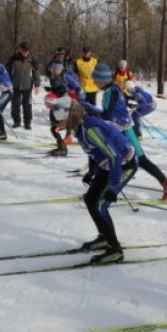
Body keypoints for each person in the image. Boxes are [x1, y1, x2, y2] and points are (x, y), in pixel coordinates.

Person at [46, 94, 138, 263]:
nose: (58, 125)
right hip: (107, 164)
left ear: (69, 116)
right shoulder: (80, 126)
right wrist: (91, 172)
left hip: (124, 163)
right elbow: (95, 151)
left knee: (101, 205)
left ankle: (115, 249)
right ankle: (104, 237)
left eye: (60, 121)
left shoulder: (89, 128)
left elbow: (114, 156)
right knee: (90, 200)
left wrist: (113, 187)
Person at [82, 63, 167, 200]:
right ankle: (165, 182)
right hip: (122, 127)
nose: (93, 82)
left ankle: (101, 191)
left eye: (94, 79)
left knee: (126, 159)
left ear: (101, 79)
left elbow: (106, 115)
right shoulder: (112, 90)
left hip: (123, 130)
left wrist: (89, 108)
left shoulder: (111, 92)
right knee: (123, 159)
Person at [46, 62, 84, 156]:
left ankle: (63, 146)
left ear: (60, 69)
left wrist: (76, 96)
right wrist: (50, 90)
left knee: (57, 126)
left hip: (65, 104)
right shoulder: (55, 77)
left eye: (56, 69)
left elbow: (77, 87)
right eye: (53, 68)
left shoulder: (66, 76)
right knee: (55, 126)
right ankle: (62, 145)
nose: (54, 70)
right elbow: (57, 89)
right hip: (57, 103)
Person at [6, 42, 40, 129]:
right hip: (15, 85)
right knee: (15, 104)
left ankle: (27, 123)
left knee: (27, 105)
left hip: (27, 86)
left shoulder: (32, 60)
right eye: (24, 50)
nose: (26, 52)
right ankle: (17, 121)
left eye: (27, 50)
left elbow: (36, 72)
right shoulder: (13, 58)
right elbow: (8, 71)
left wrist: (37, 85)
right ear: (20, 49)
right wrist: (6, 82)